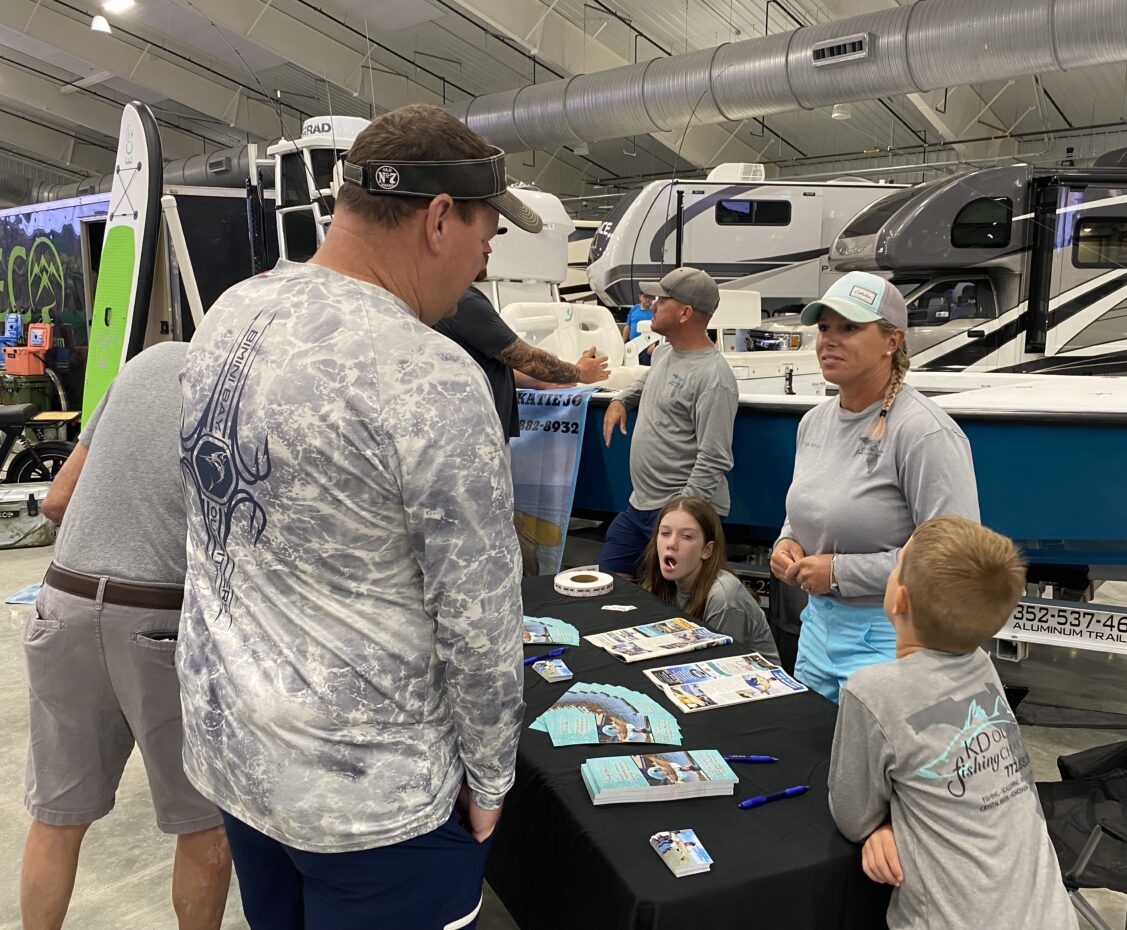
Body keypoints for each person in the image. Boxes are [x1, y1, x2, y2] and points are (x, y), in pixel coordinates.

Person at [177, 104, 531, 930]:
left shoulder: (229, 316)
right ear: (438, 219)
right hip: (373, 797)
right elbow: (479, 615)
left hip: (239, 756)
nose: (481, 265)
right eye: (486, 239)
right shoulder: (429, 373)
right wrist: (491, 778)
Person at [21, 341, 231, 930]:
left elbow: (58, 500)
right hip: (161, 615)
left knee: (57, 816)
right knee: (204, 823)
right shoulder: (250, 383)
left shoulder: (146, 364)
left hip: (61, 604)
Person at [828, 516, 1076, 930]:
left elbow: (852, 817)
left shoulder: (871, 692)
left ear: (899, 600)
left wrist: (881, 827)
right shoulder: (983, 665)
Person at [769, 270, 979, 702]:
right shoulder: (813, 423)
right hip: (816, 633)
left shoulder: (924, 432)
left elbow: (954, 561)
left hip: (893, 642)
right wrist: (787, 541)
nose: (829, 340)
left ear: (892, 340)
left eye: (849, 328)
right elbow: (808, 507)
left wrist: (839, 573)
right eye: (824, 327)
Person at [600, 268, 738, 578]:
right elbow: (649, 380)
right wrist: (621, 400)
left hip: (680, 511)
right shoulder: (664, 352)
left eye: (662, 300)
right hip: (641, 506)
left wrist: (679, 517)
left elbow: (715, 458)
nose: (652, 305)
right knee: (608, 582)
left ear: (685, 313)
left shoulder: (714, 378)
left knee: (671, 600)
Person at [434, 273, 610, 442]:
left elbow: (492, 363)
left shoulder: (448, 297)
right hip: (475, 435)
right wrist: (579, 372)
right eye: (482, 250)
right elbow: (526, 358)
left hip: (466, 430)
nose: (487, 255)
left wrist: (538, 381)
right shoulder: (463, 300)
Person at [640, 496, 779, 664]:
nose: (671, 543)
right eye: (665, 533)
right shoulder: (663, 582)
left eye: (686, 536)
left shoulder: (723, 597)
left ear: (707, 550)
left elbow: (721, 667)